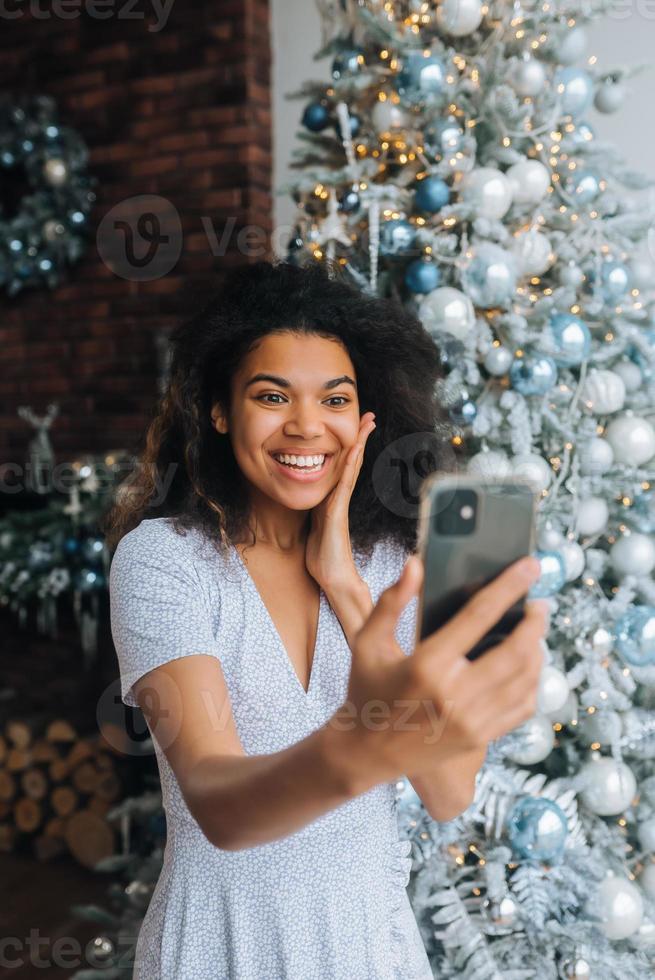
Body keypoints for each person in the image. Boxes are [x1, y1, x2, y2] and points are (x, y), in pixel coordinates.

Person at [104, 260, 547, 980]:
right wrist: (362, 746)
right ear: (219, 410)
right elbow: (220, 806)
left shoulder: (386, 569)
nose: (306, 425)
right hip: (223, 948)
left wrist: (342, 585)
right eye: (271, 395)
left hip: (370, 947)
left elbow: (448, 792)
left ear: (365, 420)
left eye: (334, 399)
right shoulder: (165, 562)